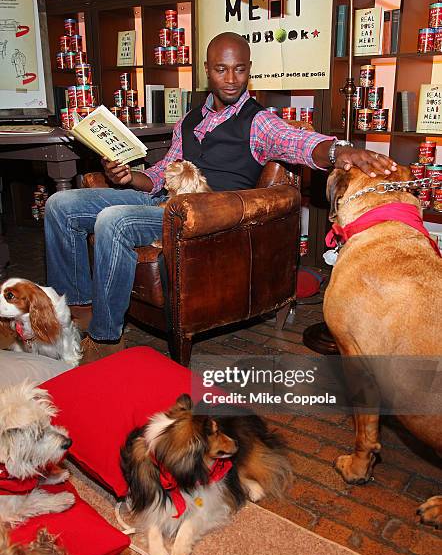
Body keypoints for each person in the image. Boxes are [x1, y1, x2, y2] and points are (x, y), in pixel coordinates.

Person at [44, 32, 398, 364]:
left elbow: (297, 142)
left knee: (113, 220)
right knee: (60, 206)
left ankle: (105, 340)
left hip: (204, 216)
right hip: (164, 202)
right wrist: (127, 176)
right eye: (221, 69)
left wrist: (338, 150)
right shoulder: (189, 120)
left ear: (248, 71)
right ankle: (76, 310)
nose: (231, 78)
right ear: (207, 72)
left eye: (239, 69)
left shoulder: (258, 121)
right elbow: (162, 172)